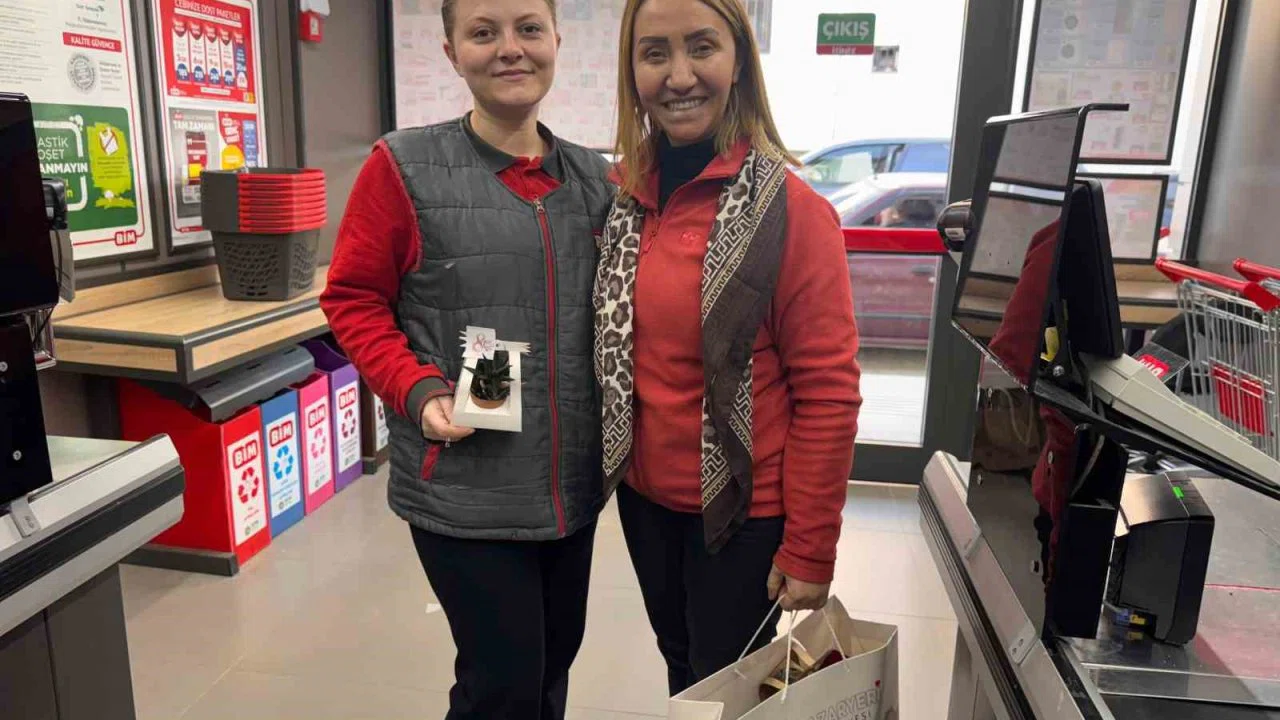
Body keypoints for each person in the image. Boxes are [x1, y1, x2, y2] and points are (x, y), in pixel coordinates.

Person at [318, 0, 613, 717]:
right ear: (452, 52)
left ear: (556, 40)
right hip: (464, 487)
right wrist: (417, 389)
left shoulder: (595, 180)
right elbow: (353, 299)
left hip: (571, 487)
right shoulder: (404, 167)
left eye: (528, 29)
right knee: (502, 685)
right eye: (484, 33)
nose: (510, 48)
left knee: (550, 670)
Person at [594, 0, 863, 694]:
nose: (679, 75)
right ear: (632, 70)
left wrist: (812, 545)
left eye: (702, 47)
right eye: (655, 53)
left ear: (739, 59)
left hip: (743, 513)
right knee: (683, 670)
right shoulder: (622, 199)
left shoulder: (792, 212)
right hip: (645, 500)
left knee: (722, 688)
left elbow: (829, 391)